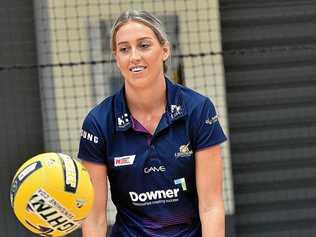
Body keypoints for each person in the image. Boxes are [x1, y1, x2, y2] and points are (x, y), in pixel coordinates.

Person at [78, 9, 227, 237]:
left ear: (164, 50)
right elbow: (95, 216)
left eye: (144, 45)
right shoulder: (98, 122)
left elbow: (211, 205)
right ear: (116, 57)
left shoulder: (198, 109)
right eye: (124, 49)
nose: (134, 56)